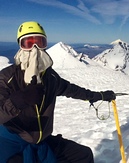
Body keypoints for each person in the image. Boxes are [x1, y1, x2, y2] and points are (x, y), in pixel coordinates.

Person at [0, 21, 116, 163]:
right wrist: (17, 102)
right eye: (28, 43)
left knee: (83, 155)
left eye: (40, 42)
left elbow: (71, 90)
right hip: (12, 142)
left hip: (42, 141)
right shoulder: (6, 78)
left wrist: (98, 96)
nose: (35, 49)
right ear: (20, 46)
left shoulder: (50, 78)